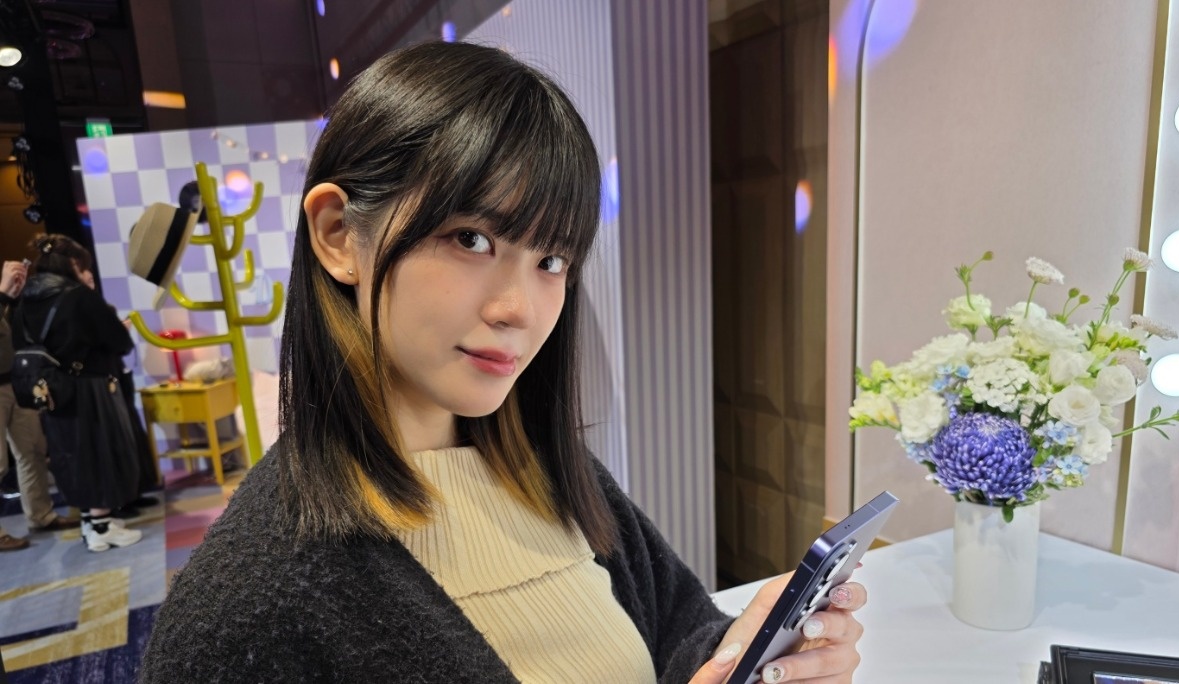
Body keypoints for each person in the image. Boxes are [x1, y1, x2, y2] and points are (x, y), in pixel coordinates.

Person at [140, 42, 866, 683]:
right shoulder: (249, 602)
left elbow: (676, 630)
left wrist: (739, 654)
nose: (520, 308)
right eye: (472, 239)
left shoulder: (550, 471)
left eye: (552, 260)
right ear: (338, 235)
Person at [12, 236, 143, 552]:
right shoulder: (79, 297)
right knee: (100, 450)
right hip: (90, 387)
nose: (87, 273)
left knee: (71, 454)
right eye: (83, 267)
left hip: (52, 389)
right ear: (72, 265)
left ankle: (89, 520)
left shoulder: (25, 300)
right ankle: (101, 525)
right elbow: (119, 342)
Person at [0, 259, 77, 552]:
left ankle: (41, 515)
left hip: (14, 380)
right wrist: (3, 294)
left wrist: (13, 296)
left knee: (32, 450)